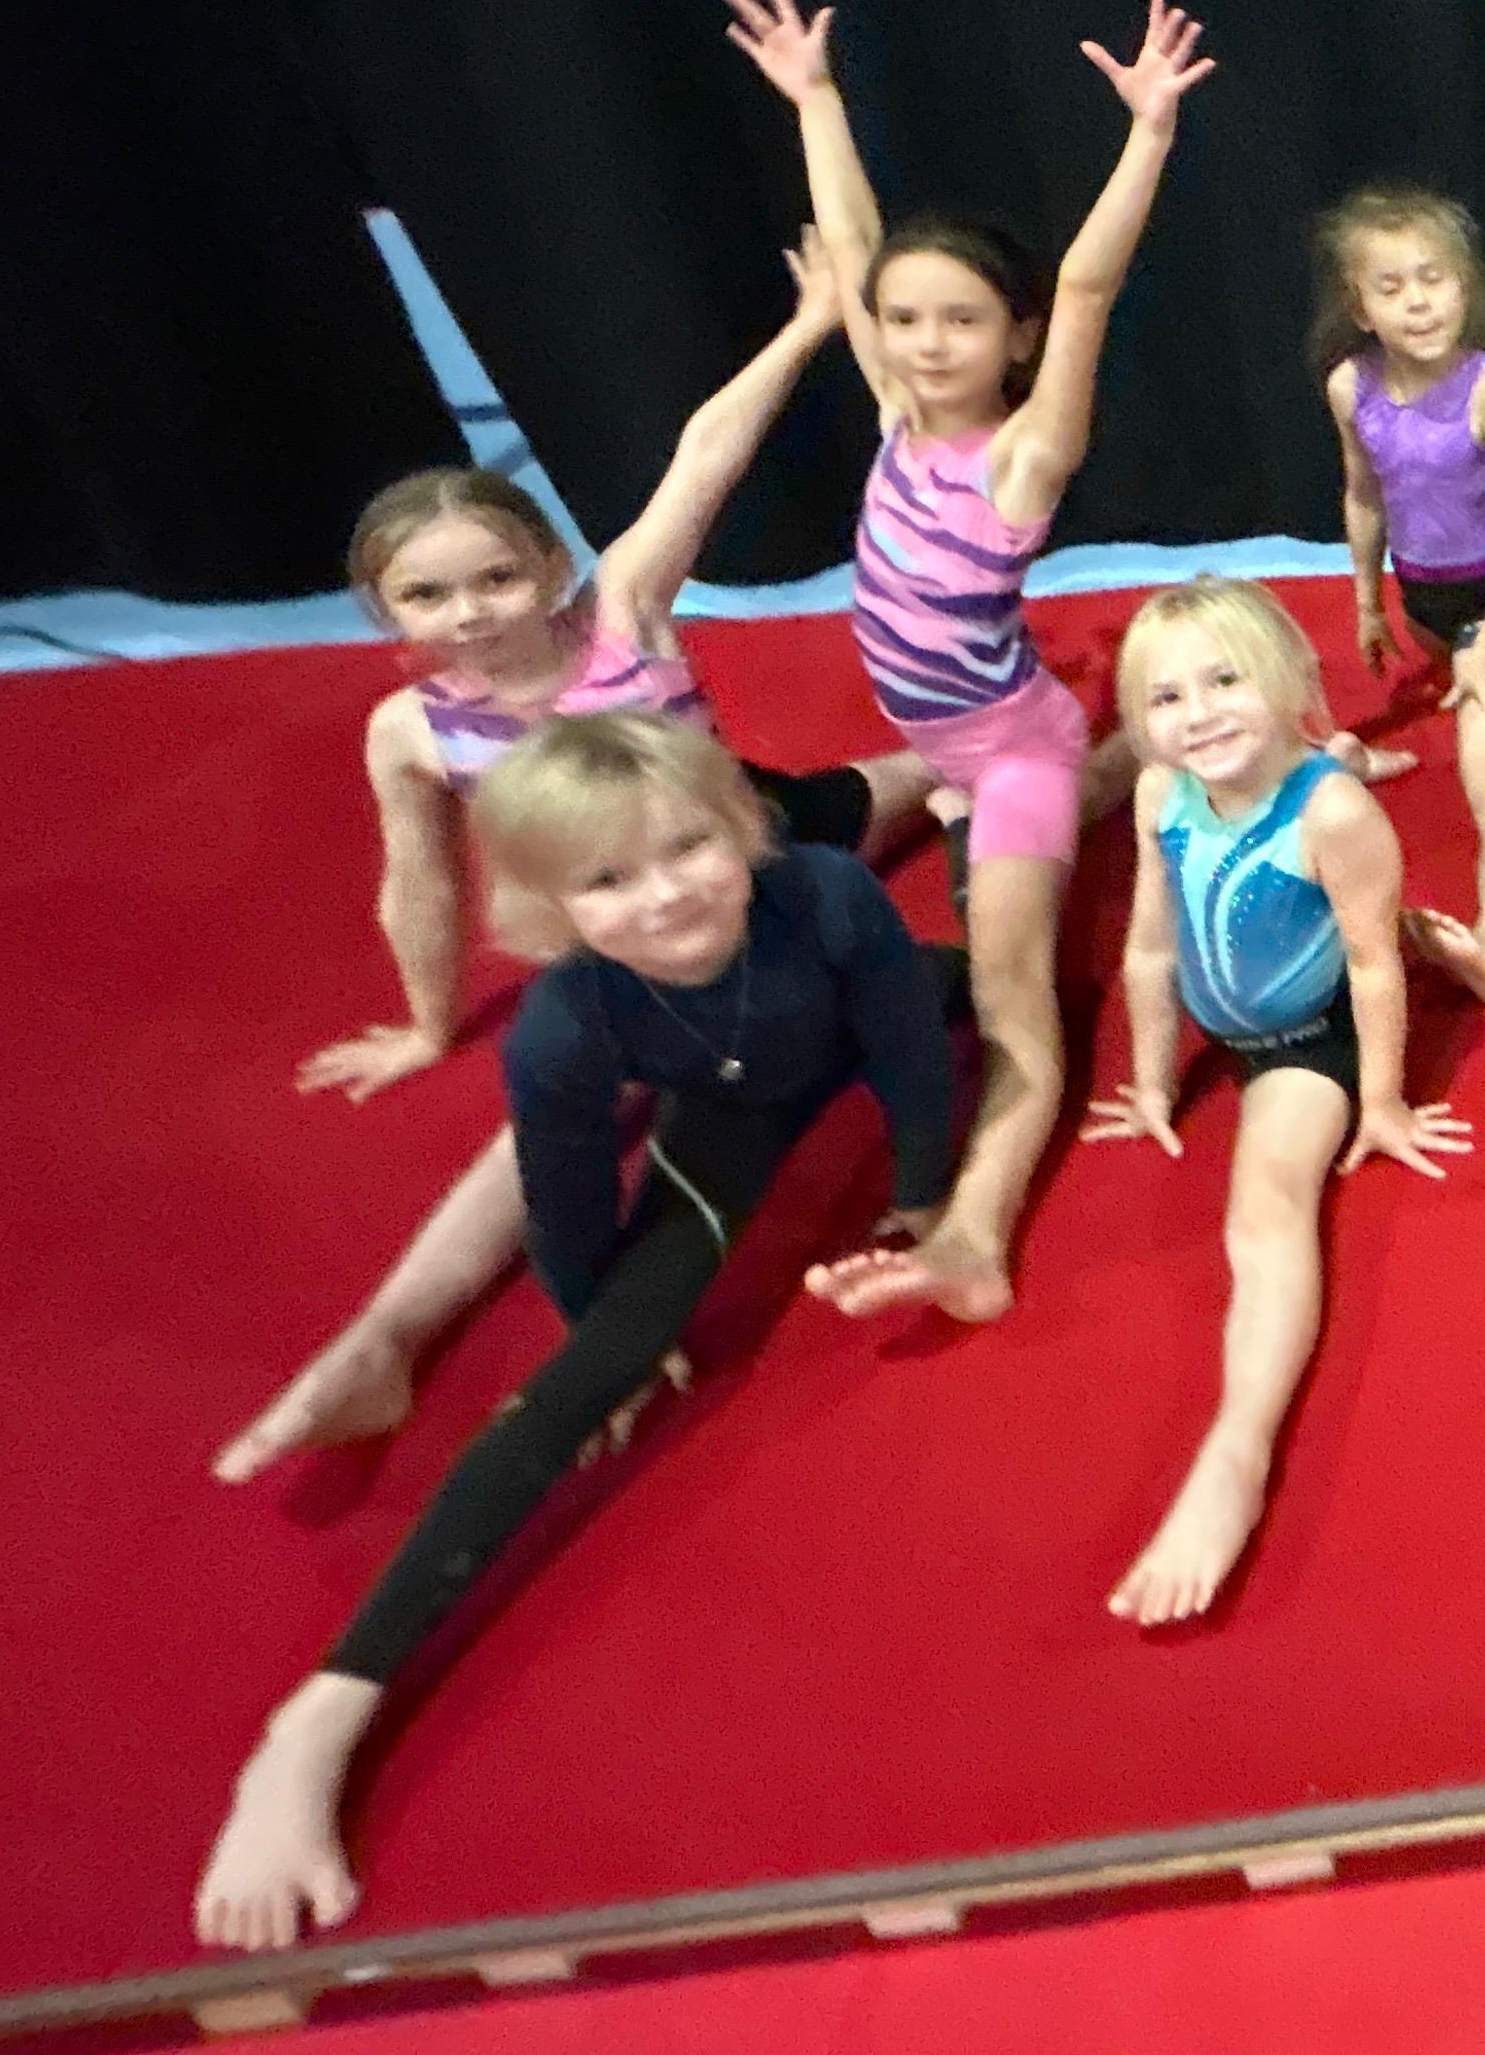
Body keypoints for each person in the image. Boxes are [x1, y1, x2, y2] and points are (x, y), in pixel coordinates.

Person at [192, 714, 963, 1950]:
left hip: (877, 1007)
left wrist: (925, 1194)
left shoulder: (822, 892)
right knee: (577, 1381)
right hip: (729, 1121)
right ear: (553, 906)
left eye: (688, 849)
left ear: (742, 828)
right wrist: (602, 1324)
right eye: (609, 879)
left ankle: (1017, 802)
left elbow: (912, 1053)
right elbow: (565, 1200)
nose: (665, 896)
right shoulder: (565, 1026)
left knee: (1007, 990)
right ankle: (322, 1713)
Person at [214, 236, 932, 1485]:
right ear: (387, 617)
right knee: (544, 1128)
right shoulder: (412, 732)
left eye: (498, 578)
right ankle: (386, 1338)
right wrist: (429, 1023)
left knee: (941, 776)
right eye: (430, 598)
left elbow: (704, 459)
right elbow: (420, 880)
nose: (473, 612)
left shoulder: (622, 614)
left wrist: (810, 326)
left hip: (758, 845)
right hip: (628, 923)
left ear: (549, 567)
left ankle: (1082, 747)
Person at [727, 0, 1210, 1322]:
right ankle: (1154, 740)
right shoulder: (897, 407)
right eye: (905, 320)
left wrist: (1149, 134)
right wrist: (816, 101)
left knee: (1009, 994)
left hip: (1007, 758)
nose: (927, 344)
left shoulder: (1022, 456)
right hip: (948, 740)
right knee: (1022, 781)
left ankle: (978, 1234)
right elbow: (858, 241)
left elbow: (1089, 281)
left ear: (1017, 338)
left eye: (962, 321)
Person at [1084, 582, 1470, 1625]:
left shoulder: (1333, 813)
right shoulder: (1161, 794)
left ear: (1292, 681)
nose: (1199, 714)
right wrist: (1154, 1080)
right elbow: (1151, 947)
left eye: (1226, 680)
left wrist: (1382, 1103)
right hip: (1229, 1024)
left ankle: (1236, 1451)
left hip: (1311, 1038)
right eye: (1166, 697)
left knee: (1264, 1212)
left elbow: (1371, 968)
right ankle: (1458, 945)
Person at [1315, 184, 1485, 1008]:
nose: (1418, 302)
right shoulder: (1351, 386)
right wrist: (1367, 602)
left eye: (1434, 278)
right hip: (1424, 605)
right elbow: (1364, 494)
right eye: (1392, 287)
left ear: (1465, 285)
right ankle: (1353, 757)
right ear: (1361, 307)